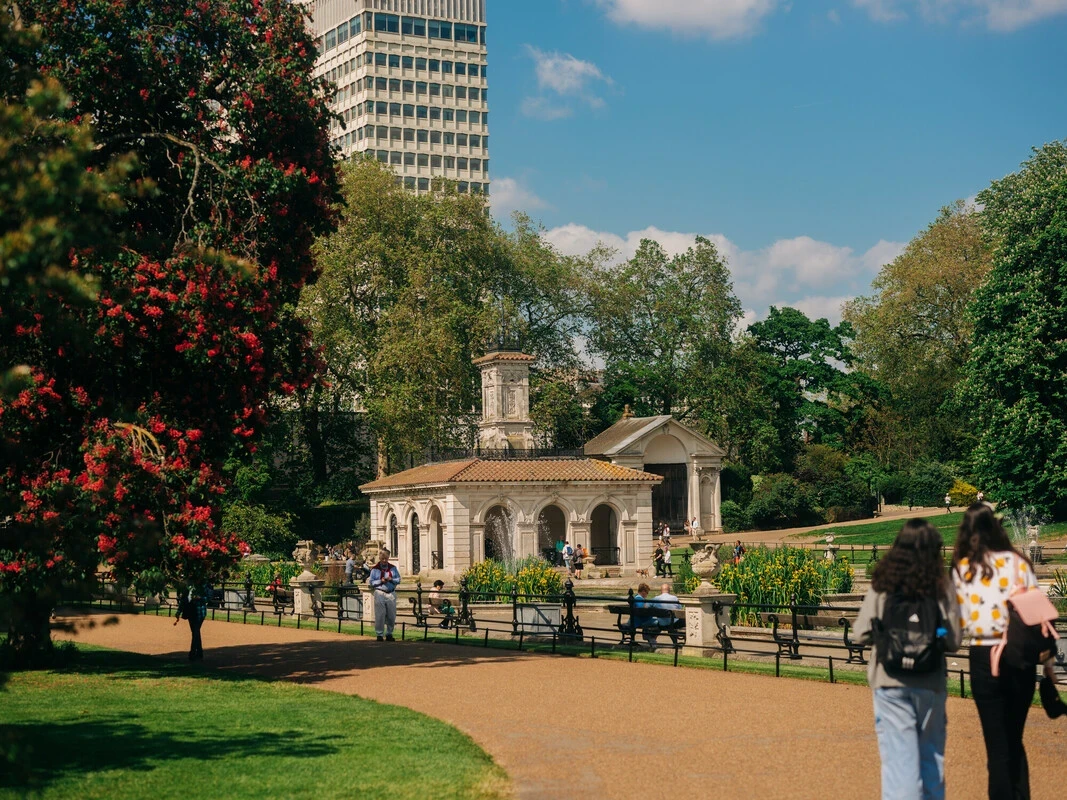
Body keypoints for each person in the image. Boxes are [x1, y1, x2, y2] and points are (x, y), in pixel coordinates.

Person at [853, 519, 961, 800]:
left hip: (890, 679)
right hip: (929, 679)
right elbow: (954, 641)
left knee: (900, 765)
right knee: (931, 760)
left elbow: (860, 632)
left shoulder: (883, 584)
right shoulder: (941, 587)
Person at [951, 503, 1052, 799]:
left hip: (984, 655)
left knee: (996, 745)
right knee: (1014, 739)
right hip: (1021, 653)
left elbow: (957, 622)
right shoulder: (1018, 563)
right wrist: (1045, 660)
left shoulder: (963, 569)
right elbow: (1038, 615)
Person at [368, 549, 400, 642]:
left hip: (390, 592)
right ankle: (379, 634)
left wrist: (391, 579)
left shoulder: (393, 568)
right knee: (380, 615)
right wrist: (380, 581)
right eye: (382, 558)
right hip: (380, 592)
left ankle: (389, 633)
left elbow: (398, 579)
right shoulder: (375, 569)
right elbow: (371, 582)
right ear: (380, 558)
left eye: (386, 558)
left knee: (391, 615)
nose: (384, 560)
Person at [174, 581, 209, 661]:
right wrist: (179, 611)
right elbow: (183, 599)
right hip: (190, 611)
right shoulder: (187, 586)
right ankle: (199, 652)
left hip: (199, 612)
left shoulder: (203, 585)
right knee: (195, 632)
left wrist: (199, 598)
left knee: (195, 631)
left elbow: (208, 598)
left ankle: (192, 653)